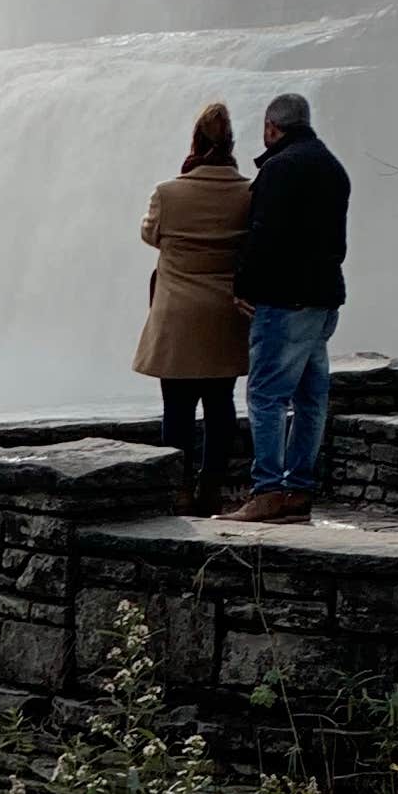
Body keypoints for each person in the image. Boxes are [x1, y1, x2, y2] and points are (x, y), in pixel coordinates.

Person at [232, 86, 354, 523]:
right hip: (324, 300)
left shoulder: (280, 170)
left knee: (265, 395)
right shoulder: (334, 169)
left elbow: (263, 235)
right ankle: (298, 489)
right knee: (310, 396)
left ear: (271, 127)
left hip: (285, 300)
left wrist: (243, 286)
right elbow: (336, 242)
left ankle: (266, 492)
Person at [133, 99, 252, 512]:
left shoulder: (168, 193)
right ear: (231, 142)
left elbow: (150, 236)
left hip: (177, 317)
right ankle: (212, 489)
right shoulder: (249, 193)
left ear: (195, 142)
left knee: (177, 407)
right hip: (224, 316)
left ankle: (180, 487)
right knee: (221, 406)